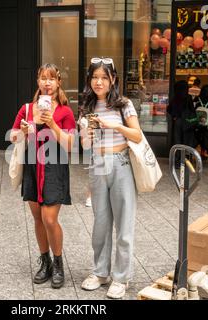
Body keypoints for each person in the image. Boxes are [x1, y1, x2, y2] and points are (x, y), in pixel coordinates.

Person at [79, 57, 142, 299]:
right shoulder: (86, 105)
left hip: (121, 164)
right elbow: (84, 142)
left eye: (104, 77)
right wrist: (88, 137)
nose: (99, 81)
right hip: (97, 165)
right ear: (89, 80)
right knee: (100, 223)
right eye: (95, 77)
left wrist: (113, 126)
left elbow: (136, 135)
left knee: (124, 224)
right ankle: (100, 272)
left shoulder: (123, 104)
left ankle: (121, 278)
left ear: (113, 79)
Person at [10, 63, 76, 289]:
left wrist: (51, 124)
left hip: (54, 167)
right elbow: (13, 137)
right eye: (42, 78)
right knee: (38, 218)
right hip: (32, 166)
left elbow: (70, 145)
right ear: (37, 81)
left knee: (50, 218)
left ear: (58, 82)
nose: (47, 83)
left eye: (51, 79)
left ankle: (58, 264)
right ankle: (45, 261)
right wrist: (24, 131)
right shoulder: (27, 109)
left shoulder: (65, 111)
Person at [167, 80, 197, 149]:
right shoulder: (188, 97)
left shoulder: (175, 97)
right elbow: (192, 110)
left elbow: (169, 109)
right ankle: (185, 157)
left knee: (177, 139)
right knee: (186, 140)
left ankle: (177, 156)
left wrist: (174, 116)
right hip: (186, 121)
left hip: (177, 121)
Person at [193, 84, 208, 160]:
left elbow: (194, 109)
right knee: (206, 138)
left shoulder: (198, 98)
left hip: (199, 122)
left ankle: (198, 152)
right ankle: (204, 152)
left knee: (198, 137)